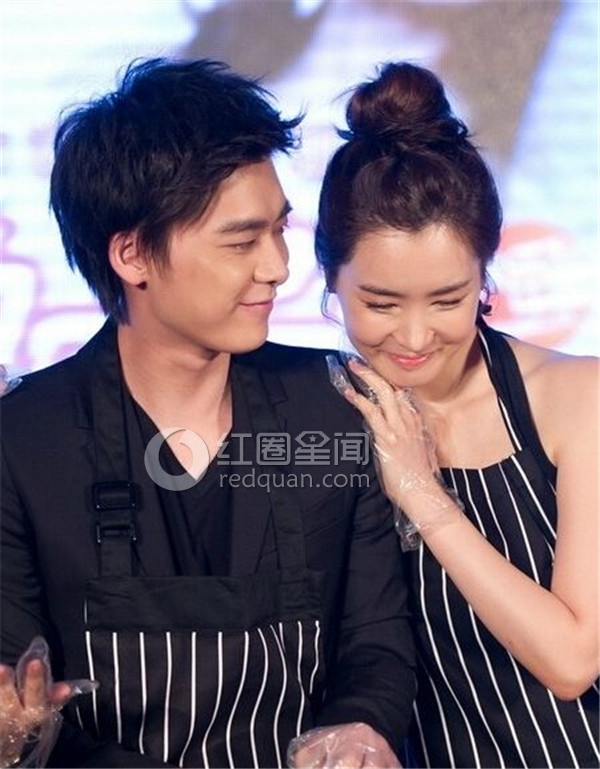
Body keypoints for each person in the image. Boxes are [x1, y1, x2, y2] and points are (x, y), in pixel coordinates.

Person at [0, 58, 416, 768]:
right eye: (241, 241)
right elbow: (22, 699)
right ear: (132, 254)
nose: (277, 266)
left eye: (280, 231)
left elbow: (377, 640)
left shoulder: (336, 404)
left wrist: (361, 727)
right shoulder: (23, 442)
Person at [315, 61, 599, 768]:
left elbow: (572, 659)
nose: (414, 337)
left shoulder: (575, 396)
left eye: (448, 300)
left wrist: (419, 491)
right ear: (329, 278)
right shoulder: (319, 415)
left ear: (485, 275)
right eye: (380, 303)